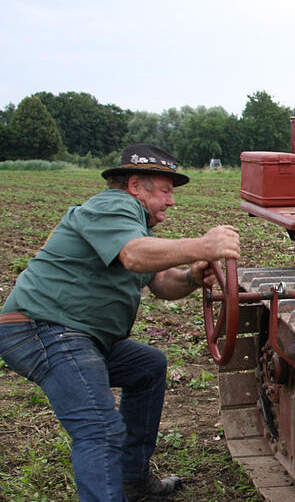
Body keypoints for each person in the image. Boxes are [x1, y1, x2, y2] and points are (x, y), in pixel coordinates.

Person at [0, 144, 241, 501]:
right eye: (165, 191)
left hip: (77, 335)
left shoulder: (130, 224)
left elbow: (160, 282)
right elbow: (134, 255)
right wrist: (204, 245)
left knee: (147, 365)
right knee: (98, 428)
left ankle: (132, 482)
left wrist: (191, 276)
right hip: (42, 327)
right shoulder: (114, 205)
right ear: (134, 186)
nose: (171, 202)